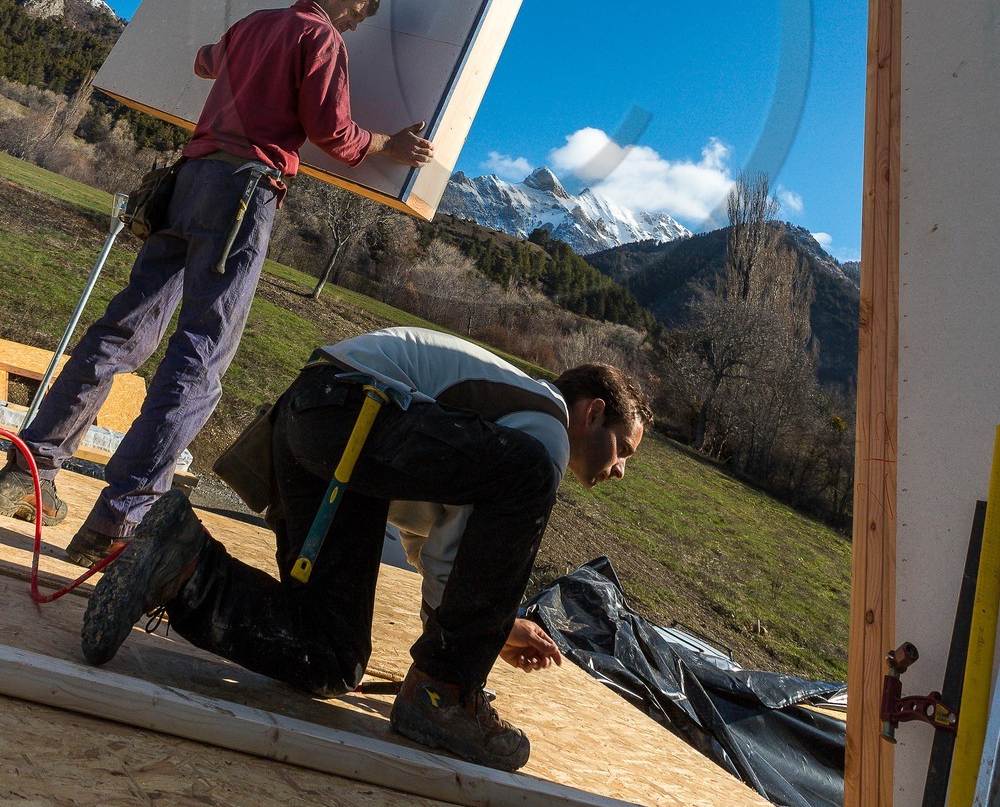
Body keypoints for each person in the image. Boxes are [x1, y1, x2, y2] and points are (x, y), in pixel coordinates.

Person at [0, 0, 432, 565]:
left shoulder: (256, 24)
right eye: (354, 12)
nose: (350, 25)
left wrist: (247, 63)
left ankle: (26, 474)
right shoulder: (320, 38)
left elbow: (202, 61)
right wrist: (385, 146)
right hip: (244, 190)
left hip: (188, 181)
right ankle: (118, 523)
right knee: (200, 354)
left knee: (119, 333)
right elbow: (333, 132)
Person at [80, 325, 650, 772]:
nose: (621, 470)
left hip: (317, 422)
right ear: (593, 412)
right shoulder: (546, 429)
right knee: (531, 475)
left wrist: (492, 629)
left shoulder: (506, 426)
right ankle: (444, 697)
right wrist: (465, 649)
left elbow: (435, 538)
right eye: (623, 448)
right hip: (349, 409)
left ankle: (184, 567)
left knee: (333, 655)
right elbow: (458, 559)